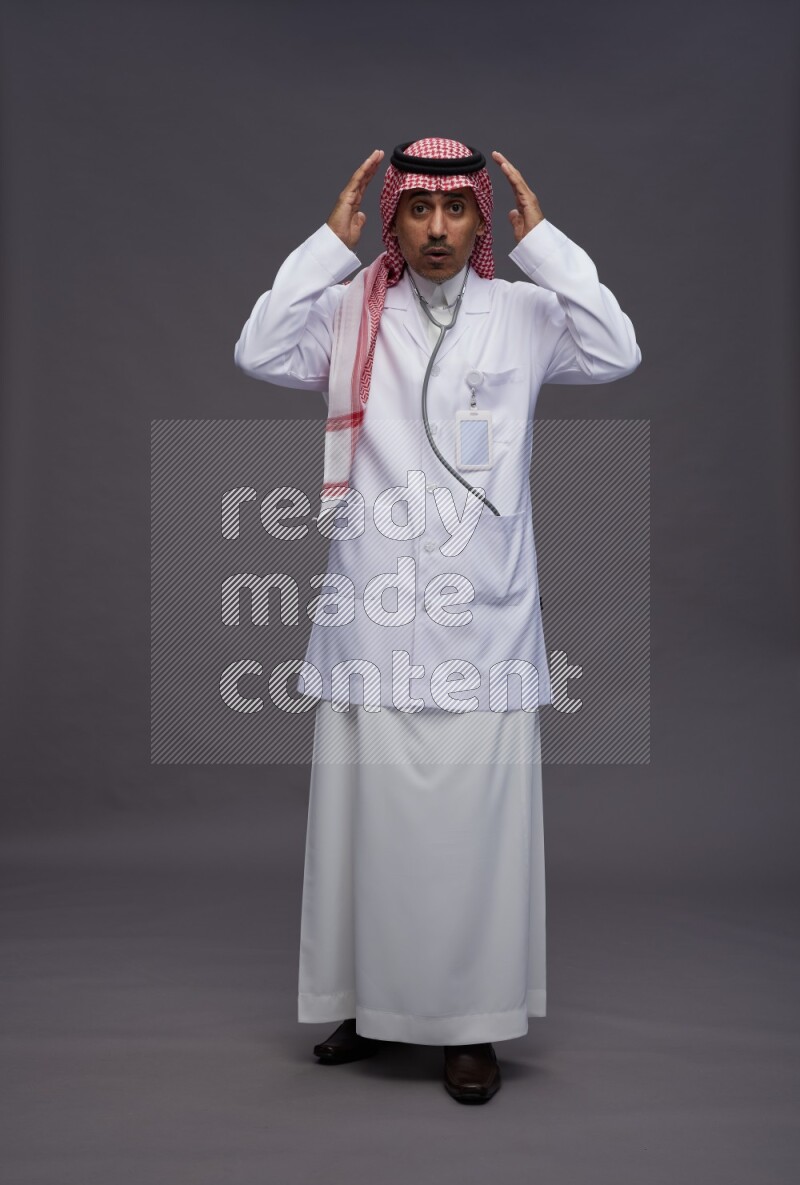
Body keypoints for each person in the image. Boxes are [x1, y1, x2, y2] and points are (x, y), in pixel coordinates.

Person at [234, 138, 641, 1103]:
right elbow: (258, 349)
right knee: (364, 831)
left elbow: (618, 349)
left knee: (474, 840)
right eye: (418, 209)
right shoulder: (350, 310)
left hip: (482, 622)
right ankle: (366, 1003)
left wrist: (547, 247)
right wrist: (326, 248)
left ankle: (471, 1025)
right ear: (394, 219)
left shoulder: (524, 313)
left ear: (481, 220)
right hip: (373, 612)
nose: (438, 230)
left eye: (457, 210)